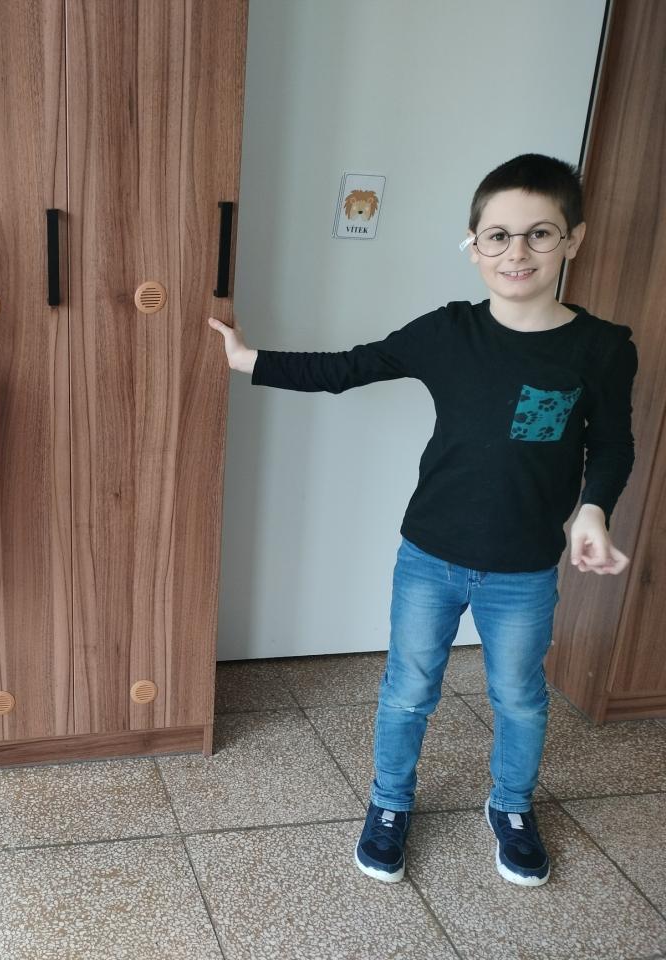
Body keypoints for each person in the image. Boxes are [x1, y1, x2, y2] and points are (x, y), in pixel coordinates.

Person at [208, 154, 637, 887]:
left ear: (574, 239)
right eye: (498, 236)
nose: (517, 252)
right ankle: (390, 801)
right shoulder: (448, 332)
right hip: (430, 557)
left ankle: (510, 805)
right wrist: (250, 360)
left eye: (539, 234)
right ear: (474, 246)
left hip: (525, 568)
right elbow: (351, 367)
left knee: (519, 698)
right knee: (408, 690)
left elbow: (614, 443)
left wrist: (593, 508)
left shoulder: (601, 347)